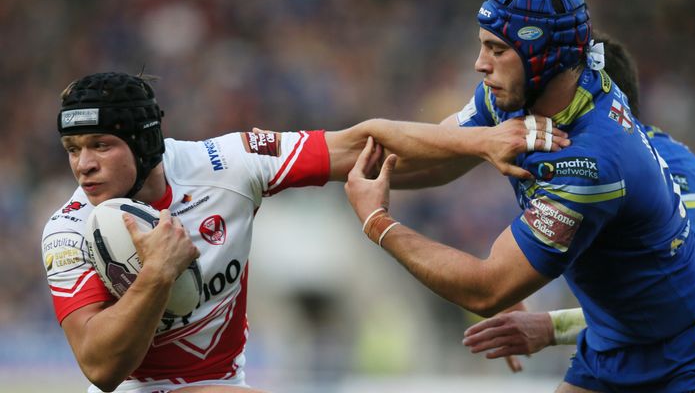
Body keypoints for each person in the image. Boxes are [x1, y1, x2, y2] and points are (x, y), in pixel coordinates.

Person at [344, 0, 695, 392]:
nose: (480, 64)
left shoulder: (620, 166)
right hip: (614, 349)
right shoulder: (546, 107)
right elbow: (440, 157)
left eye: (497, 49)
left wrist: (378, 222)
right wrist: (299, 160)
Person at [41, 71, 568, 392]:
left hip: (225, 384)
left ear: (143, 142)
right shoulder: (67, 229)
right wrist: (158, 272)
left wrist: (480, 142)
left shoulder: (225, 163)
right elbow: (100, 367)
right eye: (73, 150)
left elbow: (363, 144)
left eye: (100, 145)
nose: (83, 166)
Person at [462, 31, 695, 363]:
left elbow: (664, 305)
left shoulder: (670, 174)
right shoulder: (579, 167)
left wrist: (551, 327)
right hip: (641, 352)